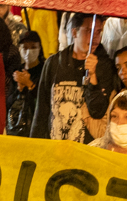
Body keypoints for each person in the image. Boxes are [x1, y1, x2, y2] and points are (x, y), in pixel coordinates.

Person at [30, 13, 115, 143]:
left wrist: (92, 76)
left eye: (98, 32)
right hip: (55, 146)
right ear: (74, 32)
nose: (96, 38)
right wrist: (35, 145)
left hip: (86, 149)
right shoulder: (54, 63)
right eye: (89, 31)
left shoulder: (104, 65)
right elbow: (42, 110)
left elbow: (97, 111)